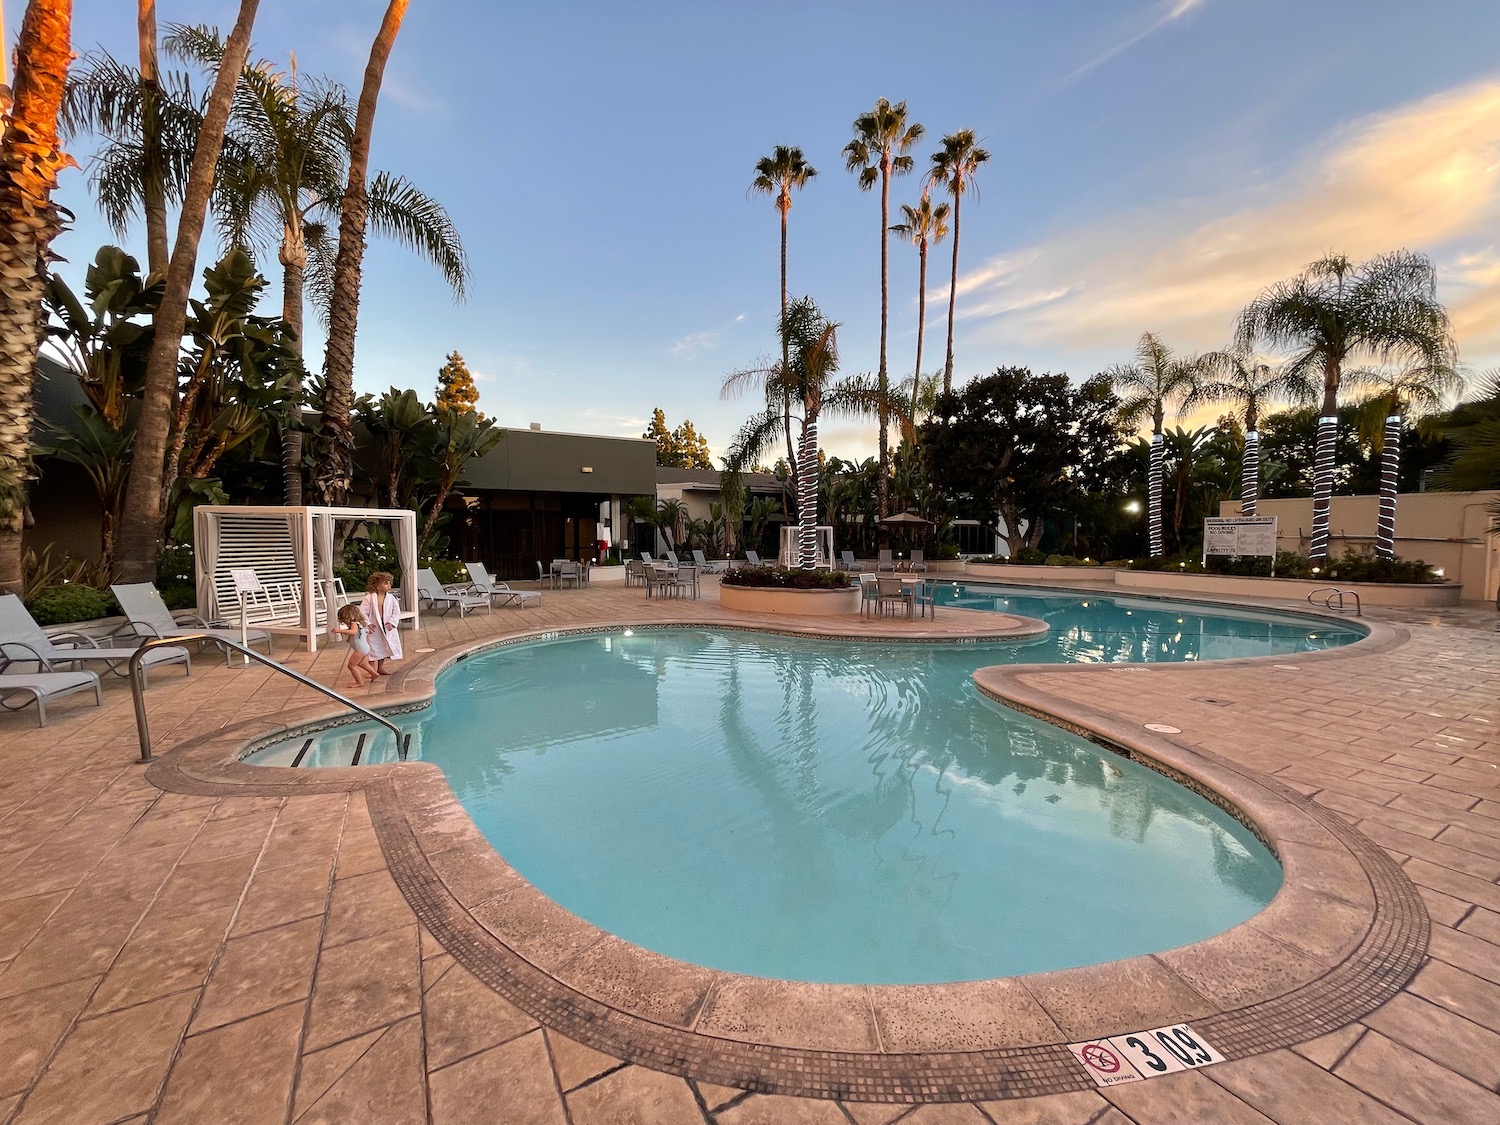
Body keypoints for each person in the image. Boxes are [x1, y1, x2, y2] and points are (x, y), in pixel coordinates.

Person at [359, 571, 404, 675]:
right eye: (386, 583)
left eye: (390, 583)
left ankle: (380, 667)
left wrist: (392, 622)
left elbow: (396, 611)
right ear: (377, 585)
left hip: (387, 625)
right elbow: (362, 611)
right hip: (374, 626)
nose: (389, 586)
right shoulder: (369, 598)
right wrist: (368, 623)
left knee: (384, 647)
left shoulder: (391, 598)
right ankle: (371, 670)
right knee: (373, 648)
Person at [331, 604, 377, 686]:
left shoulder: (354, 624)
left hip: (360, 649)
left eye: (345, 619)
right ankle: (374, 673)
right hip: (365, 647)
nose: (344, 622)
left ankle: (359, 682)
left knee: (352, 666)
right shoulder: (360, 624)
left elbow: (353, 632)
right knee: (363, 664)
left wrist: (339, 631)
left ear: (351, 616)